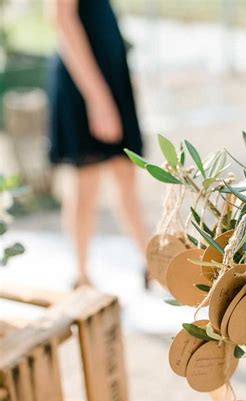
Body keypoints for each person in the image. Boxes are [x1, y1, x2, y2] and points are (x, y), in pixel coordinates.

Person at [46, 0, 149, 287]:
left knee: (126, 173)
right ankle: (81, 276)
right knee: (85, 182)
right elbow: (60, 18)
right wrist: (98, 99)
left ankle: (150, 263)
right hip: (86, 82)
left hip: (109, 77)